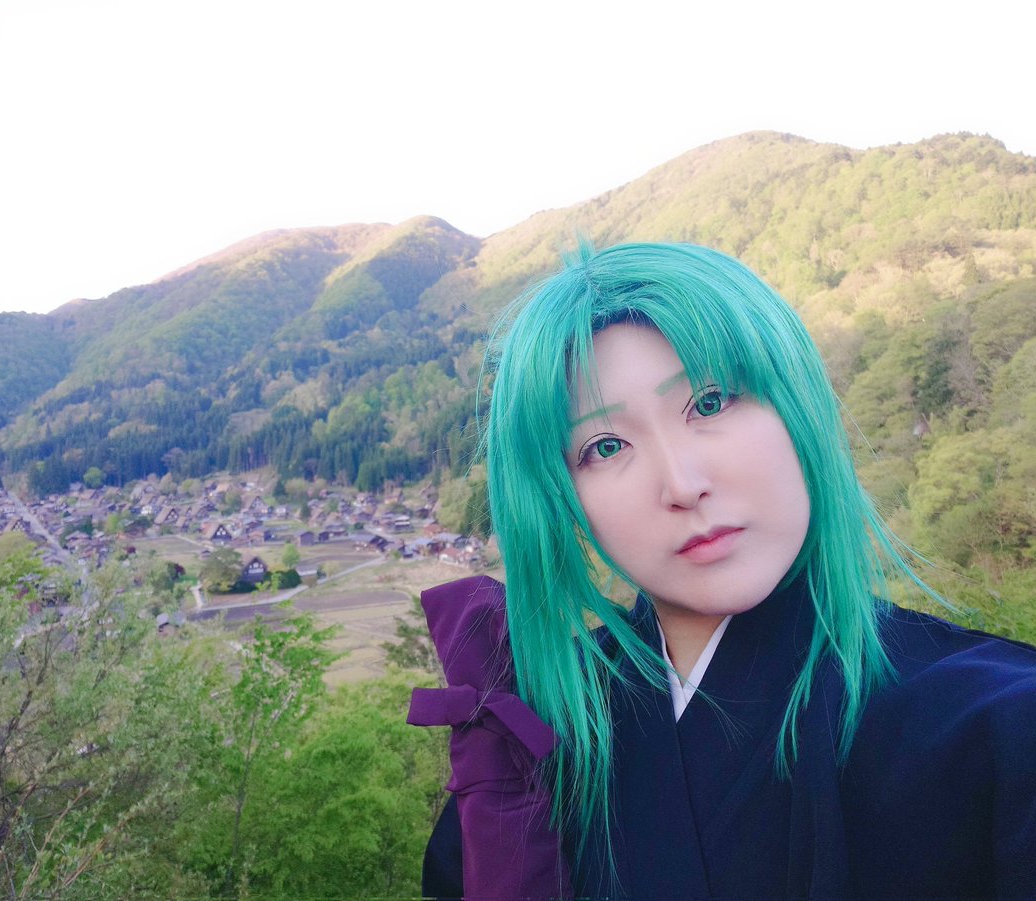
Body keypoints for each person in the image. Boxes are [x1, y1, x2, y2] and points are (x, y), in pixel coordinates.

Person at [416, 242, 1036, 899]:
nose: (682, 484)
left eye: (710, 403)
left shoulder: (1001, 730)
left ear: (799, 406)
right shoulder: (525, 748)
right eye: (606, 446)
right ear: (563, 500)